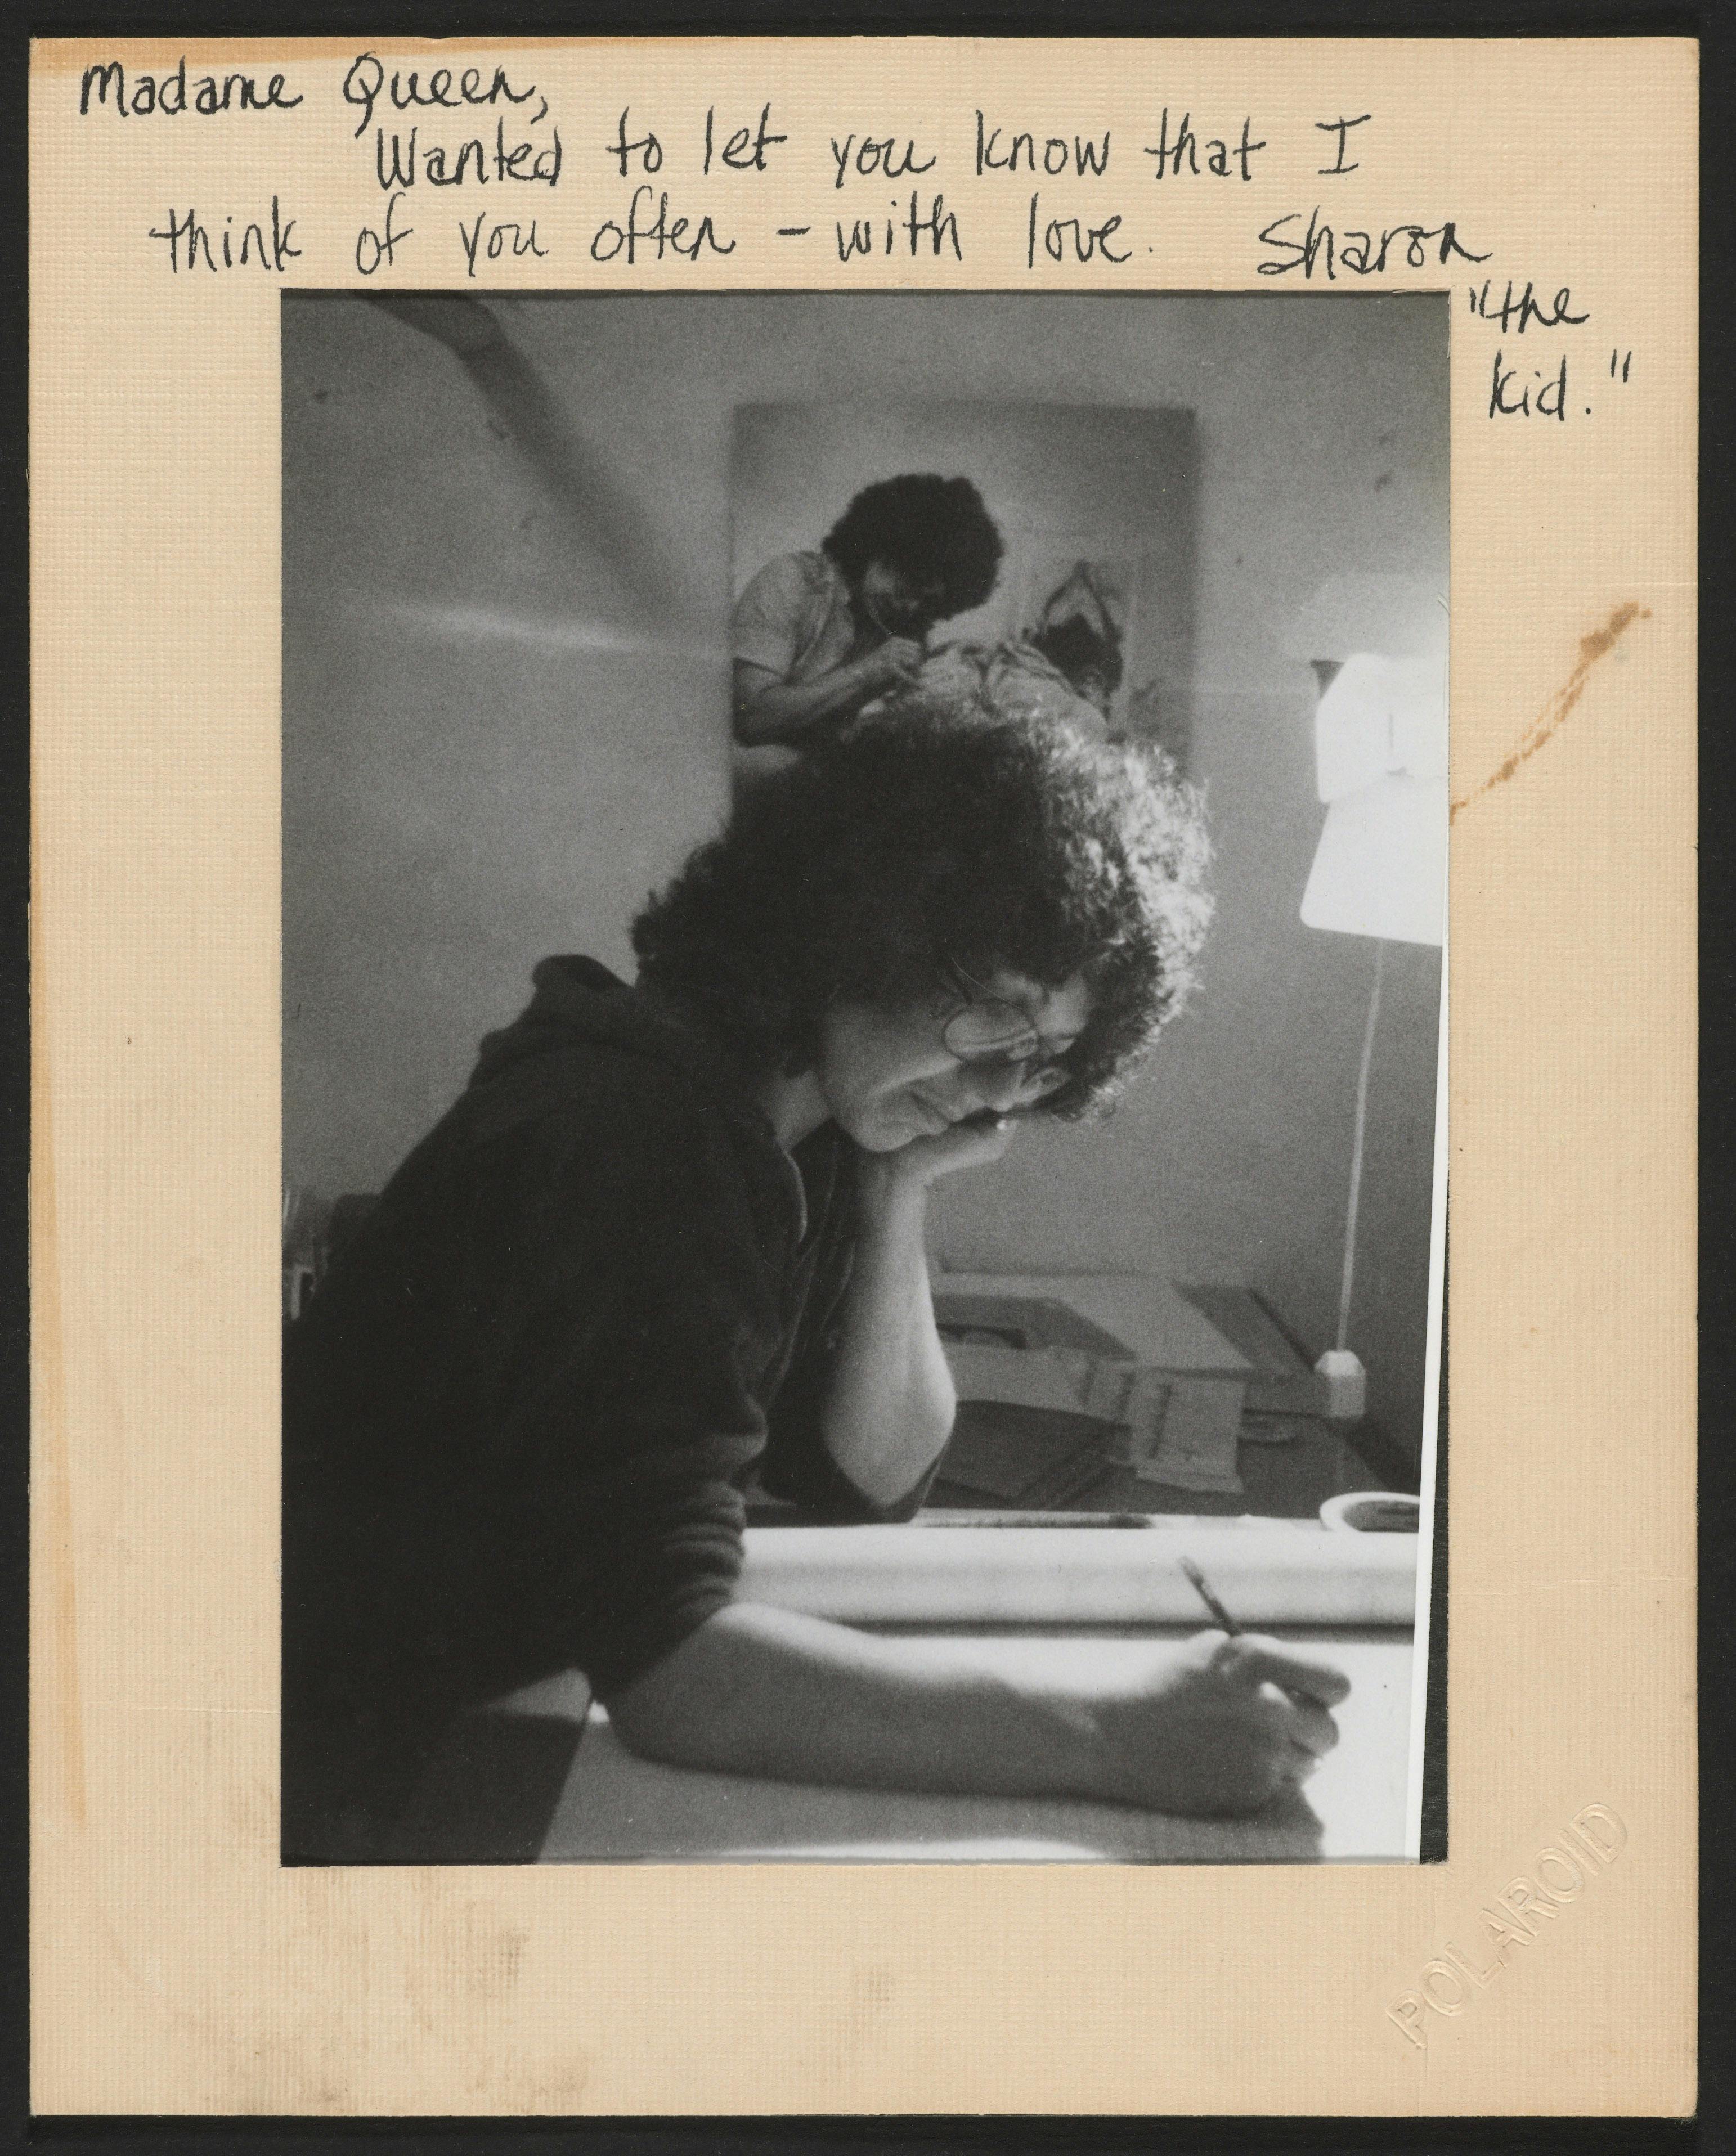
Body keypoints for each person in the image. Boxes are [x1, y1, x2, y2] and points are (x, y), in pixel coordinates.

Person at [282, 700, 1347, 1862]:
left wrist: (899, 1190)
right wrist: (1116, 1731)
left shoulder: (789, 1124)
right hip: (335, 1784)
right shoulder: (638, 1137)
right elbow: (673, 1669)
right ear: (856, 930)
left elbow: (869, 1476)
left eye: (1044, 1058)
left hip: (465, 1718)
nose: (1002, 1094)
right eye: (993, 1020)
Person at [730, 474, 1004, 748]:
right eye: (907, 587)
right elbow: (750, 718)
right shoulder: (793, 581)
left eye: (926, 600)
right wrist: (866, 672)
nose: (910, 607)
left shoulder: (905, 624)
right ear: (878, 549)